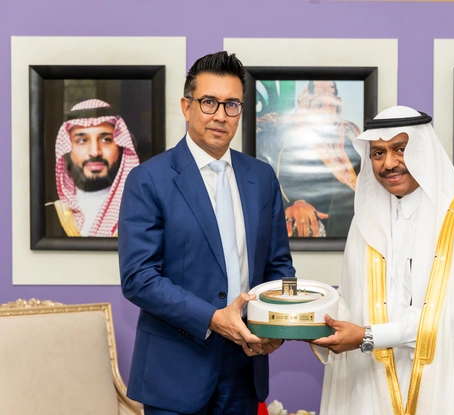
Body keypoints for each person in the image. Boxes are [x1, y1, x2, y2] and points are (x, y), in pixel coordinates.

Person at [312, 106, 454, 415]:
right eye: (378, 153)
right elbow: (352, 301)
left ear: (423, 151)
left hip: (447, 387)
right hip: (374, 385)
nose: (389, 164)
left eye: (400, 149)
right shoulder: (364, 222)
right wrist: (312, 324)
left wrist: (368, 336)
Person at [118, 51, 295, 415]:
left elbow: (279, 267)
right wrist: (213, 318)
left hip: (246, 366)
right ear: (187, 106)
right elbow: (139, 278)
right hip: (175, 372)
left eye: (232, 105)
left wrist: (277, 327)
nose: (220, 115)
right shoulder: (149, 179)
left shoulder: (262, 178)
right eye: (209, 102)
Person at [257, 80, 361, 238]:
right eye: (319, 105)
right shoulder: (291, 140)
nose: (327, 111)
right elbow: (281, 179)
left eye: (332, 106)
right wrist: (298, 202)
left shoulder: (348, 141)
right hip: (322, 221)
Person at [52, 98, 139, 237]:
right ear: (68, 149)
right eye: (82, 140)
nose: (94, 152)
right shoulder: (52, 213)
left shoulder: (141, 209)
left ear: (120, 146)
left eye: (106, 140)